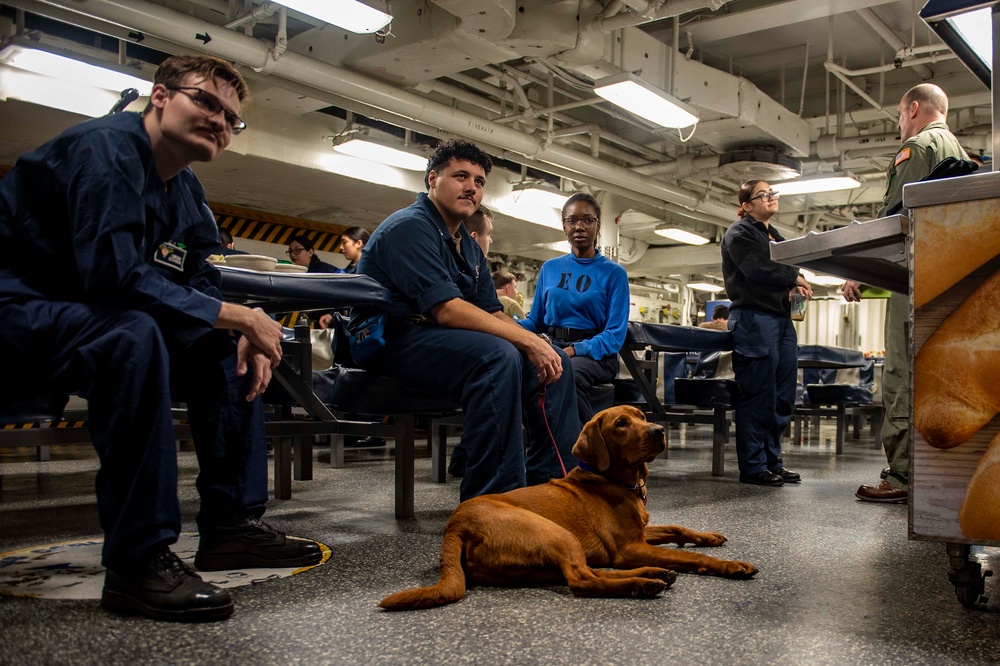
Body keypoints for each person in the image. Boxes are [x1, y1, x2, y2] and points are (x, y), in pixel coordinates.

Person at [0, 55, 321, 622]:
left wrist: (234, 324)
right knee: (134, 333)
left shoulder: (184, 189)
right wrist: (234, 314)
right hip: (19, 308)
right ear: (160, 96)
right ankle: (138, 560)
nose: (219, 121)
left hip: (88, 317)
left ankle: (231, 526)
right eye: (206, 102)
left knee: (222, 353)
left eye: (230, 117)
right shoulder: (106, 150)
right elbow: (111, 275)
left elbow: (197, 272)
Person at [350, 139, 581, 500]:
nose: (471, 186)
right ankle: (494, 500)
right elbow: (447, 309)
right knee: (497, 357)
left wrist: (539, 345)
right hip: (390, 340)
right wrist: (527, 340)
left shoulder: (468, 246)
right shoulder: (409, 228)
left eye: (479, 181)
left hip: (436, 338)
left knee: (554, 363)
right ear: (432, 179)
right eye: (461, 176)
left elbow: (490, 312)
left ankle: (556, 488)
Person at [845, 83, 968, 504]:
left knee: (900, 375)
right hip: (946, 277)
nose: (899, 126)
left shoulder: (918, 146)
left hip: (914, 276)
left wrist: (857, 268)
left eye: (899, 116)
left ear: (913, 108)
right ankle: (931, 469)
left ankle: (902, 475)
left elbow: (898, 216)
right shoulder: (958, 150)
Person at [721, 180, 812, 486]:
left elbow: (785, 268)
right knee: (759, 394)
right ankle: (753, 466)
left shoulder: (775, 236)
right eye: (764, 194)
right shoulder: (740, 233)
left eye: (773, 193)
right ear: (746, 206)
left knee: (782, 397)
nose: (771, 197)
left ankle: (773, 461)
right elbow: (756, 269)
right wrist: (794, 275)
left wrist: (796, 279)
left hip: (781, 321)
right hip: (754, 320)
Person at [519, 193, 629, 425]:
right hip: (553, 344)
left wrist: (574, 349)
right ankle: (534, 447)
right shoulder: (550, 268)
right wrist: (505, 327)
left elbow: (614, 335)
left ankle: (585, 449)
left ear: (598, 226)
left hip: (595, 355)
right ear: (564, 226)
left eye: (588, 220)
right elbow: (536, 322)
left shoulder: (614, 274)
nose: (580, 226)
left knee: (567, 372)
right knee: (512, 365)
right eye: (572, 221)